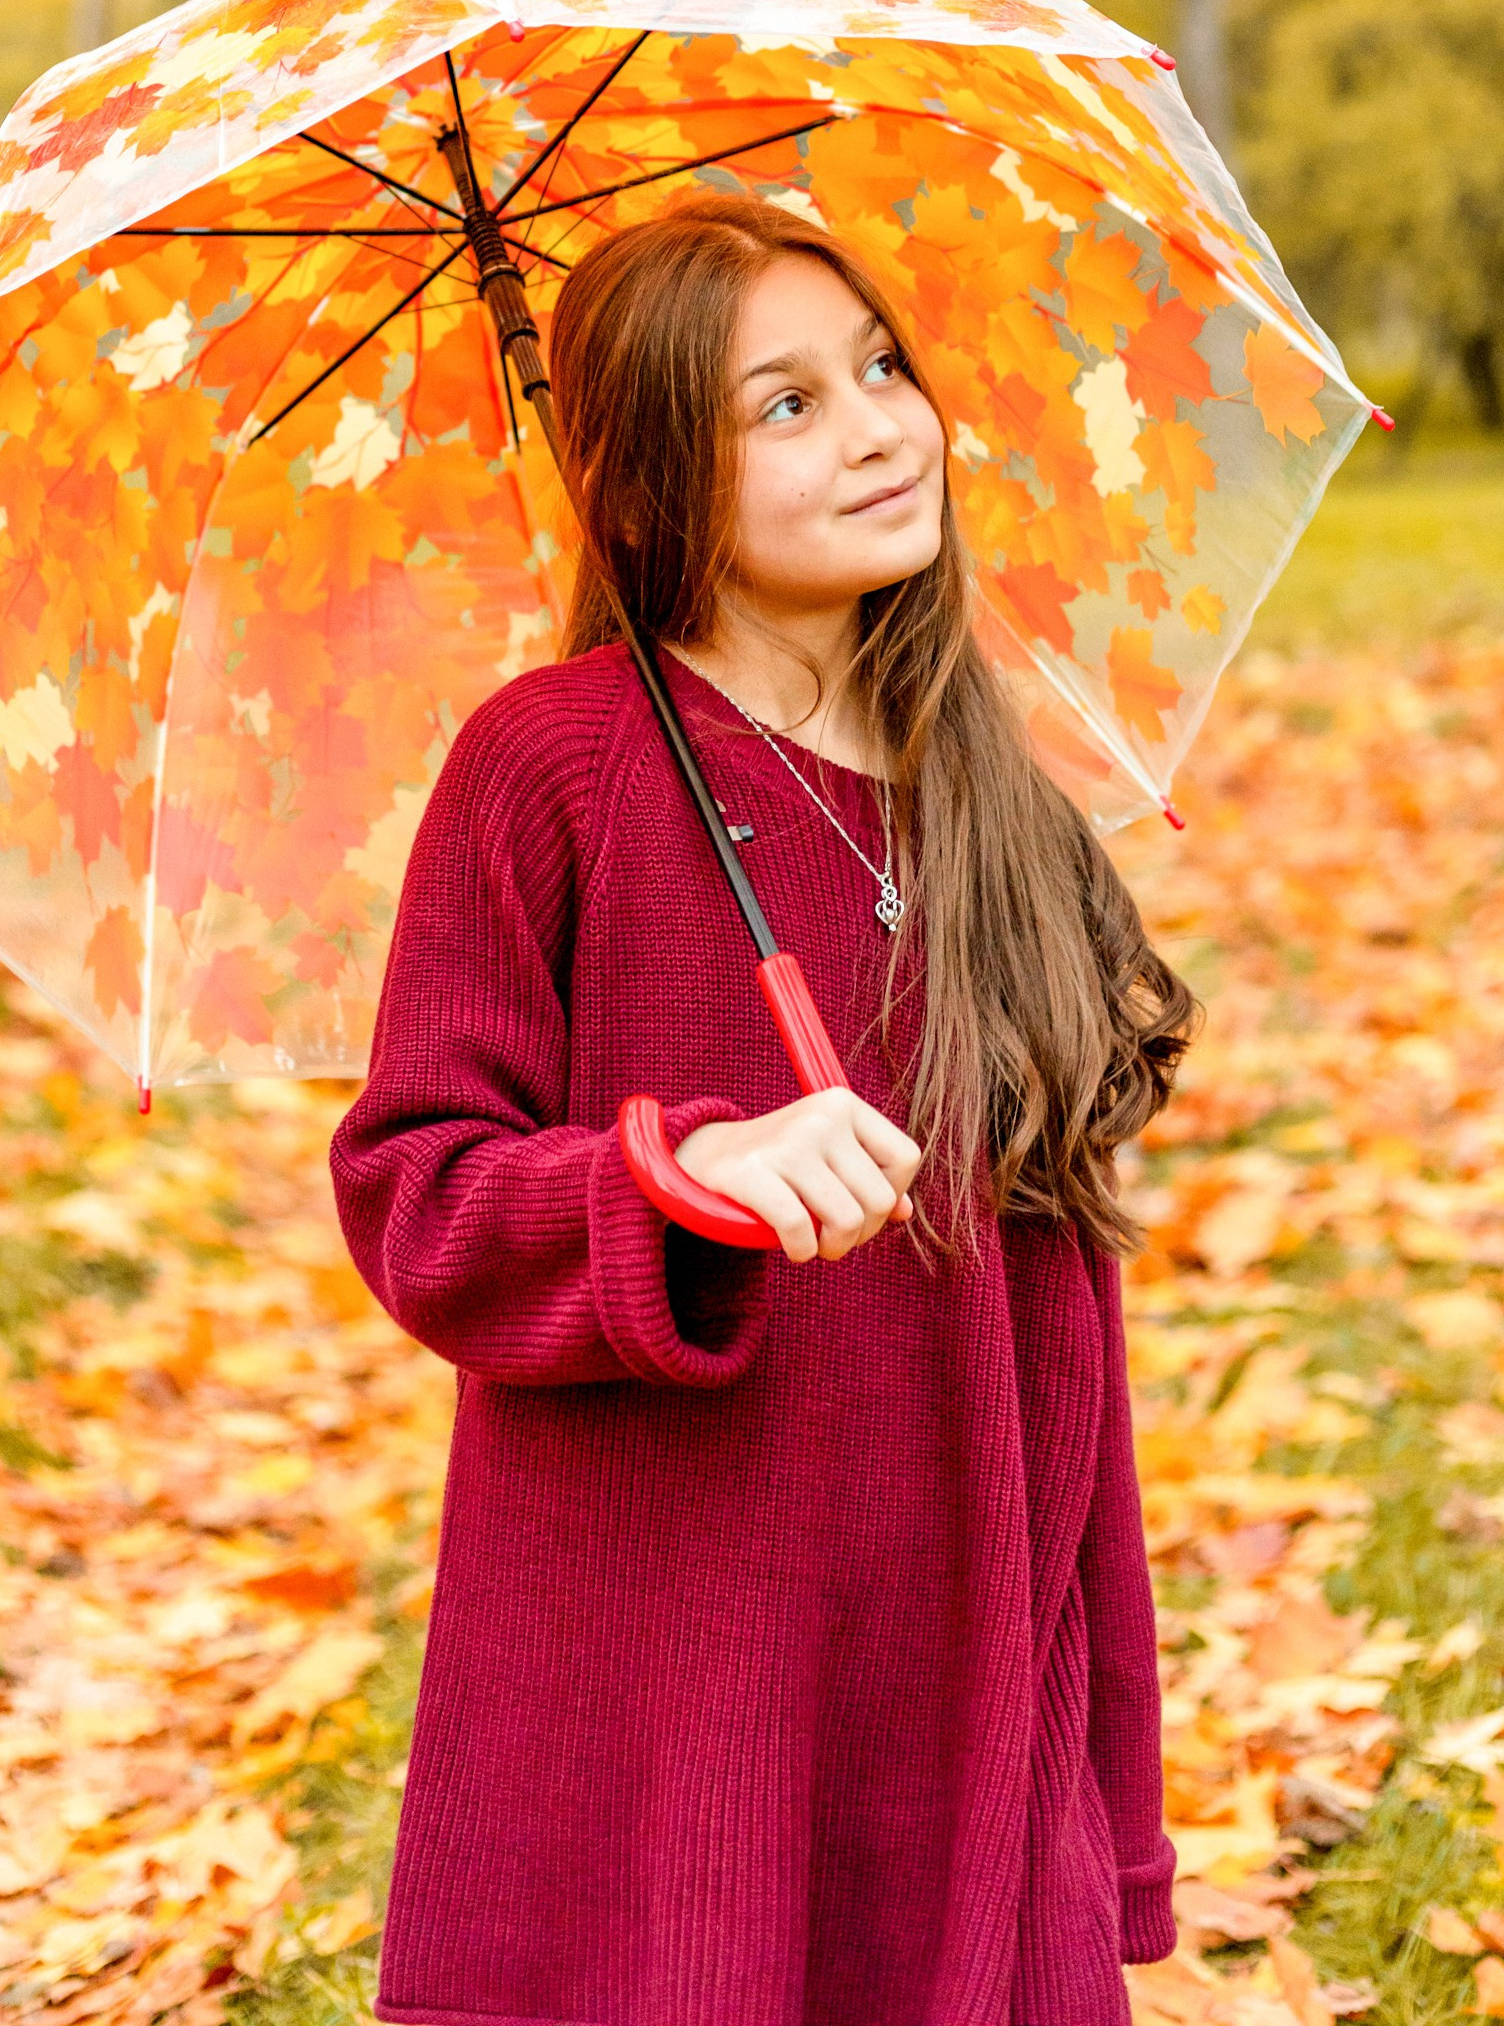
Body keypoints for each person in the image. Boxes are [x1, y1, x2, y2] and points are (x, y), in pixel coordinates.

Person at [330, 194, 1197, 2026]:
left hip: (961, 1643)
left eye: (880, 369)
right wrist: (671, 1174)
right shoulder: (551, 768)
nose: (878, 429)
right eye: (784, 406)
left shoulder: (995, 795)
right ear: (650, 492)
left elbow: (1072, 1336)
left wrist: (1100, 1767)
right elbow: (417, 1190)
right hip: (682, 1661)